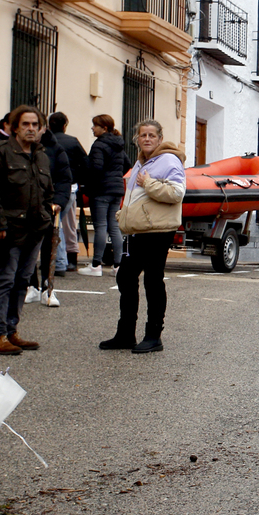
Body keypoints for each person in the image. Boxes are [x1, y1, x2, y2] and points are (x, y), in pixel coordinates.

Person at [98, 120, 185, 354]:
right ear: (137, 139)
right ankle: (126, 334)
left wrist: (148, 183)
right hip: (139, 230)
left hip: (158, 231)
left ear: (159, 138)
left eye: (151, 135)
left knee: (152, 281)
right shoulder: (140, 162)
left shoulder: (169, 160)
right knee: (125, 277)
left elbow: (177, 193)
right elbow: (136, 196)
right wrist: (124, 214)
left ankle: (153, 335)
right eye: (142, 135)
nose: (146, 139)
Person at [0, 105, 54, 355]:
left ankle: (12, 330)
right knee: (5, 280)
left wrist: (48, 214)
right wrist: (0, 223)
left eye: (35, 124)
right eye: (26, 124)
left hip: (35, 230)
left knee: (22, 281)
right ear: (14, 127)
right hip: (10, 229)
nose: (31, 129)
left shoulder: (41, 155)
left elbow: (48, 191)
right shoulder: (0, 153)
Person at [29, 122, 72, 307]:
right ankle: (31, 286)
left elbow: (64, 178)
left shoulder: (56, 149)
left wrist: (59, 202)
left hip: (48, 207)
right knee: (27, 248)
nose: (32, 129)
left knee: (49, 247)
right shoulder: (16, 149)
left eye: (36, 125)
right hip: (25, 207)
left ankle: (48, 287)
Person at [79, 115, 127, 277]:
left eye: (95, 126)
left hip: (101, 190)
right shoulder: (118, 144)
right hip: (117, 190)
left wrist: (88, 182)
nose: (92, 128)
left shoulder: (99, 145)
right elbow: (127, 164)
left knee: (100, 226)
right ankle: (118, 265)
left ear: (104, 128)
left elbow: (96, 168)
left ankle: (96, 265)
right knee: (114, 226)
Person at [48, 112, 87, 274]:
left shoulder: (46, 142)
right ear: (65, 125)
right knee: (66, 224)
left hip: (51, 188)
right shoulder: (72, 141)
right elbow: (86, 163)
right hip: (70, 188)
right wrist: (78, 180)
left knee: (56, 224)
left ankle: (60, 261)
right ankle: (66, 260)